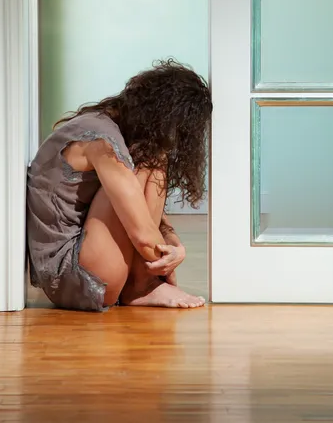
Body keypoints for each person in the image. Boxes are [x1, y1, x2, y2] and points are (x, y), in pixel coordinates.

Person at [27, 60, 212, 312]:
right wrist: (170, 261)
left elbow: (144, 215)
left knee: (150, 158)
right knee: (152, 157)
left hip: (84, 268)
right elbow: (142, 234)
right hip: (75, 279)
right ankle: (143, 286)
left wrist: (173, 242)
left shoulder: (102, 126)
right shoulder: (102, 143)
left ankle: (142, 284)